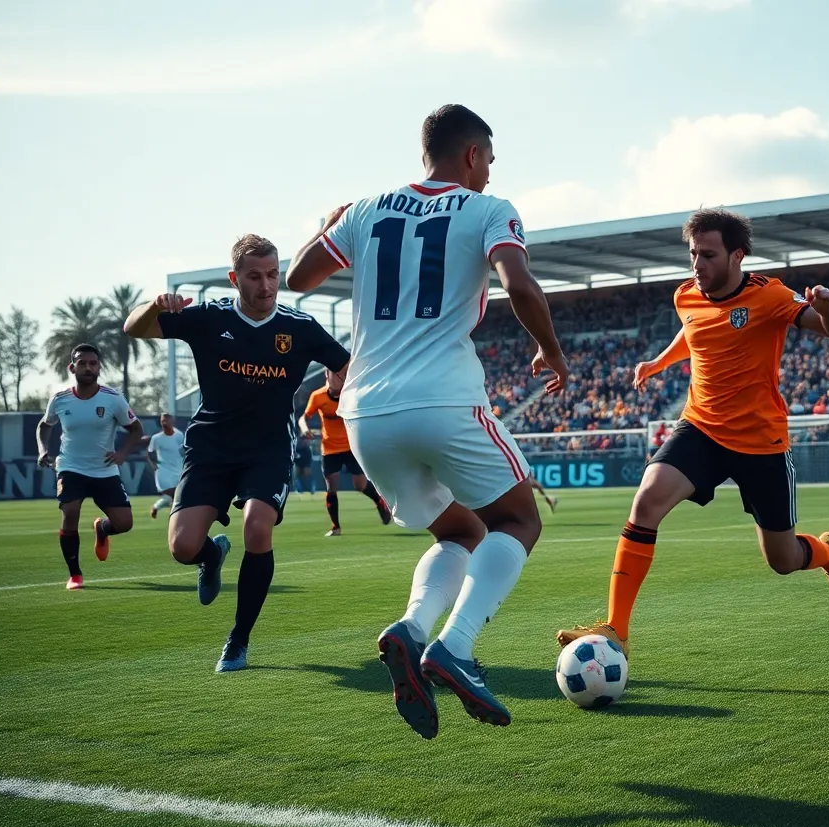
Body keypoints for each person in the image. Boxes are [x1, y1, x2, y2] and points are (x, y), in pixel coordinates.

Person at [286, 104, 568, 738]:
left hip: (365, 416)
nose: (491, 173)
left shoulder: (366, 210)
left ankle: (412, 631)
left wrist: (330, 223)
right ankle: (456, 647)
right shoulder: (488, 210)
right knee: (518, 520)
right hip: (442, 400)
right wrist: (550, 349)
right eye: (489, 160)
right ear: (470, 155)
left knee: (459, 534)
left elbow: (300, 276)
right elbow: (519, 284)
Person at [556, 208, 829, 659]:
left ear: (737, 255)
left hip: (761, 443)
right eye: (693, 254)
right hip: (701, 427)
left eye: (708, 255)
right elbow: (693, 332)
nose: (697, 265)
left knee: (782, 560)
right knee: (646, 500)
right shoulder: (686, 296)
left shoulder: (770, 295)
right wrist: (658, 362)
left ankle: (828, 555)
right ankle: (616, 628)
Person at [123, 234, 350, 670]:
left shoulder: (299, 327)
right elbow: (134, 327)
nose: (267, 285)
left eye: (273, 275)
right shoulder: (208, 318)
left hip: (267, 449)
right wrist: (157, 306)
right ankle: (211, 554)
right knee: (182, 547)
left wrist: (341, 375)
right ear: (234, 279)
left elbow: (347, 363)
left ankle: (238, 640)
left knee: (258, 528)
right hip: (210, 447)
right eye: (254, 276)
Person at [36, 344, 145, 589]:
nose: (88, 367)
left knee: (124, 524)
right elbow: (44, 425)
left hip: (104, 469)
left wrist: (123, 453)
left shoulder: (113, 398)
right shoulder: (60, 398)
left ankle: (102, 529)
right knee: (70, 512)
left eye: (93, 363)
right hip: (70, 467)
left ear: (99, 367)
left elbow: (136, 429)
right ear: (72, 367)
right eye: (82, 363)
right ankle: (75, 575)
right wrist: (43, 450)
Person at [299, 368, 393, 534]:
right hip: (329, 448)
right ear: (326, 375)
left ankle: (379, 501)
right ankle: (336, 527)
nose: (338, 378)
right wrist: (305, 428)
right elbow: (304, 417)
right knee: (331, 486)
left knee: (360, 485)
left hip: (351, 446)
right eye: (333, 374)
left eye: (340, 375)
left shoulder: (351, 395)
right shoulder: (318, 396)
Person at [146, 412, 185, 519]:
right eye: (162, 420)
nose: (164, 422)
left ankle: (156, 507)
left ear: (172, 421)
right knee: (175, 495)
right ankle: (175, 518)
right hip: (163, 471)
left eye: (166, 420)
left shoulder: (179, 435)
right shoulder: (156, 438)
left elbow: (183, 450)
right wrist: (154, 465)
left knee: (171, 497)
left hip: (178, 469)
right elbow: (150, 452)